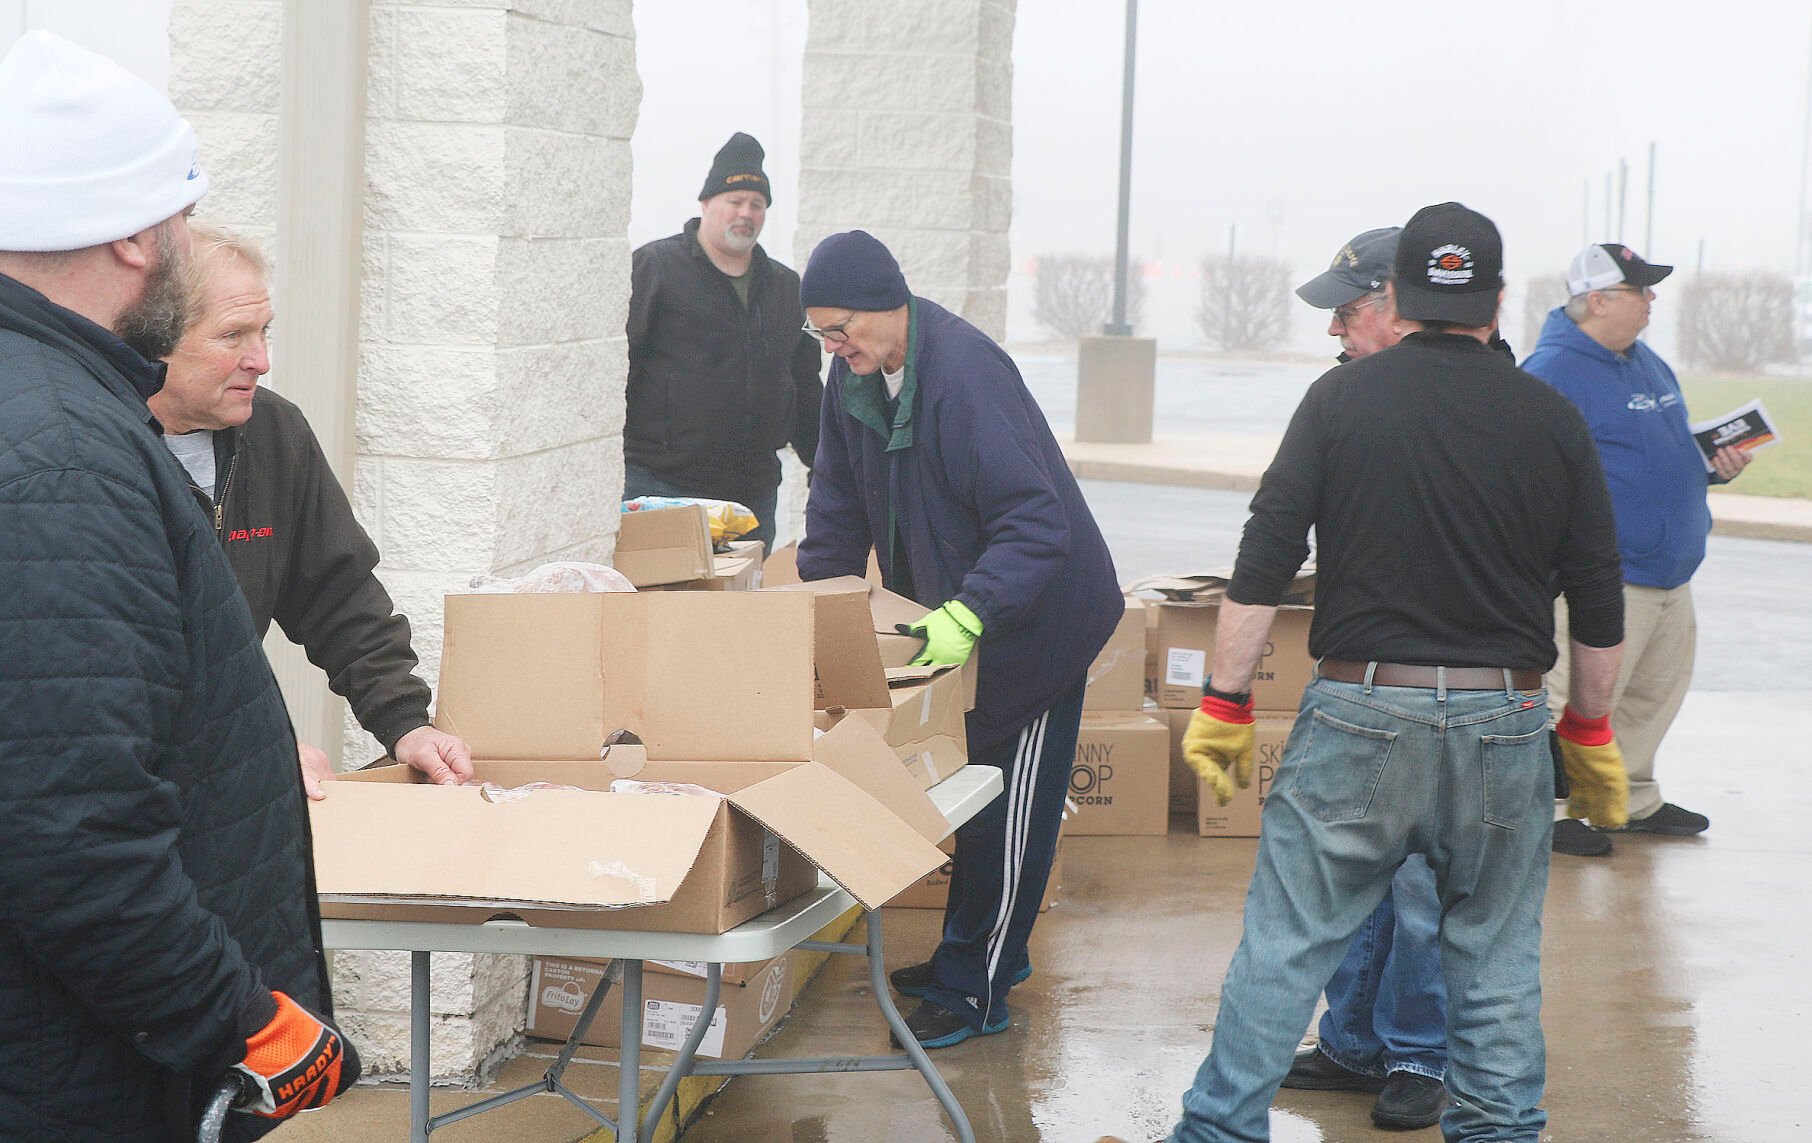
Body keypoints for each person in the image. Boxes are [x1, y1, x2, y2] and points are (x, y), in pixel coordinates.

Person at [1161, 203, 1630, 1142]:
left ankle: (1217, 1133)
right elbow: (1599, 597)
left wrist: (1224, 699)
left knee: (1287, 948)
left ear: (1402, 296)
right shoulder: (1552, 417)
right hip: (1504, 721)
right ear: (1496, 300)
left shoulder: (1340, 399)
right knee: (1494, 964)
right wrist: (1588, 730)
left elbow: (1261, 563)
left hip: (1362, 711)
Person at [0, 31, 357, 1140]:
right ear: (131, 234)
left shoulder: (61, 408)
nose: (191, 241)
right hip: (82, 1078)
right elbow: (70, 831)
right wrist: (248, 1029)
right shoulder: (56, 450)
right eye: (184, 217)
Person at [794, 230, 1123, 1048]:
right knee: (971, 799)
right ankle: (971, 953)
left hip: (1039, 620)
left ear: (885, 303)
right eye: (821, 334)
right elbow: (835, 502)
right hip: (967, 625)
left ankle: (977, 987)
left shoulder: (966, 374)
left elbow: (1036, 520)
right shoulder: (853, 375)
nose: (834, 346)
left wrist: (972, 610)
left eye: (840, 329)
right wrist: (816, 612)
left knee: (1011, 810)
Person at [152, 225, 473, 798]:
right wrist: (238, 746)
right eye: (232, 336)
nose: (261, 360)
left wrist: (406, 723)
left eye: (263, 332)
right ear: (157, 338)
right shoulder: (92, 453)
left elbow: (336, 595)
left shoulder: (275, 432)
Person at [1275, 226, 1449, 1130]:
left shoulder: (1490, 399)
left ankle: (1420, 1051)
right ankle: (1351, 1041)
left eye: (1345, 311)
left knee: (1421, 883)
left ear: (1396, 302)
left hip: (1446, 681)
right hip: (1355, 675)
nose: (1335, 331)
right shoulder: (1343, 397)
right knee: (1353, 872)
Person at [1523, 243, 1751, 849]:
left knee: (1651, 696)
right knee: (1573, 699)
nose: (1652, 301)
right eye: (1640, 291)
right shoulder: (1551, 374)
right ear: (1598, 301)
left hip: (1671, 571)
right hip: (1604, 577)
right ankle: (1550, 813)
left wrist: (1711, 466)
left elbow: (1661, 451)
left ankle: (1629, 799)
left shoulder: (1645, 361)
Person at [624, 131, 823, 554]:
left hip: (751, 496)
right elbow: (617, 368)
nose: (745, 213)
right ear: (706, 204)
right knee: (660, 611)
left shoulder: (787, 288)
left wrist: (824, 465)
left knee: (739, 613)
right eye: (735, 201)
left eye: (757, 204)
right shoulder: (655, 269)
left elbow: (805, 387)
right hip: (661, 486)